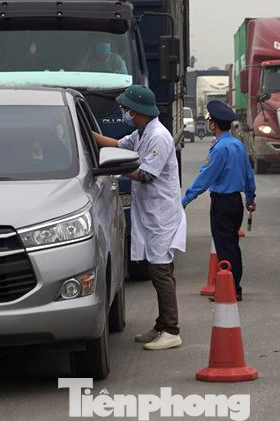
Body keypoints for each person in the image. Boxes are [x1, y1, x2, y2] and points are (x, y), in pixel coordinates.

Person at [92, 84, 186, 351]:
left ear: (136, 111)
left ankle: (171, 329)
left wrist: (114, 166)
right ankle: (161, 324)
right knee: (158, 270)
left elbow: (146, 175)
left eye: (125, 110)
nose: (123, 113)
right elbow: (118, 145)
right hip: (150, 213)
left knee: (161, 272)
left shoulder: (159, 136)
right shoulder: (141, 132)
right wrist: (86, 132)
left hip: (162, 215)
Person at [181, 100, 256, 301]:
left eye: (210, 121)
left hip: (222, 204)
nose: (209, 124)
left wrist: (186, 199)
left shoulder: (220, 149)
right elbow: (249, 175)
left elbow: (205, 177)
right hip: (236, 203)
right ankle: (236, 287)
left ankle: (228, 289)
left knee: (224, 246)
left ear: (213, 124)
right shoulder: (238, 146)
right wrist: (250, 199)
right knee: (232, 244)